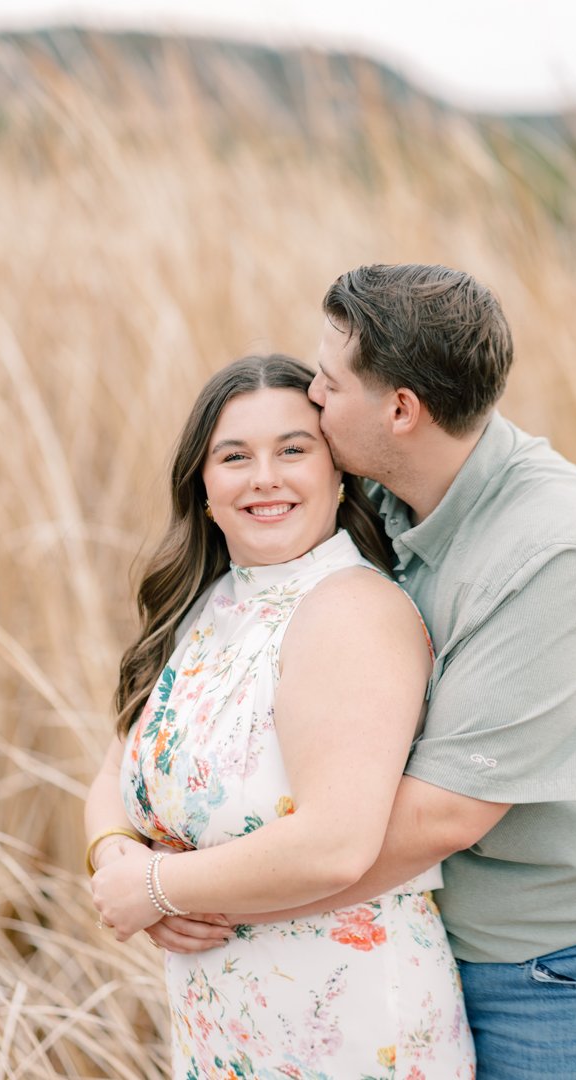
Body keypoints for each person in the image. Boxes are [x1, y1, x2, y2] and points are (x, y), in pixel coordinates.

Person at [153, 264, 576, 1079]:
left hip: (552, 973)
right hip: (423, 943)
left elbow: (441, 816)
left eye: (330, 383)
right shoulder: (392, 499)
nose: (314, 396)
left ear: (401, 410)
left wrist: (181, 891)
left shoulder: (559, 552)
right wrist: (127, 856)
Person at [85, 353, 476, 1078]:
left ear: (338, 472)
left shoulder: (351, 611)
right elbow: (118, 764)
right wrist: (115, 858)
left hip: (350, 1026)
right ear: (203, 487)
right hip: (225, 1029)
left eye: (293, 450)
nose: (264, 477)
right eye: (235, 456)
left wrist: (158, 889)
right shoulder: (208, 604)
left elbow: (336, 844)